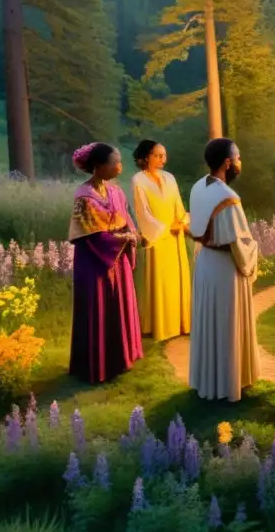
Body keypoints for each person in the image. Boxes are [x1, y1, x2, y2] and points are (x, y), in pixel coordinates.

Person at [188, 138, 260, 402]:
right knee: (226, 324)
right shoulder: (229, 197)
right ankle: (229, 383)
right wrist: (253, 256)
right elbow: (238, 242)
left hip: (205, 263)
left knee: (209, 322)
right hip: (224, 268)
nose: (240, 162)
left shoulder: (198, 187)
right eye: (238, 158)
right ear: (227, 163)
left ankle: (207, 380)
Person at [67, 143, 144, 384]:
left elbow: (126, 221)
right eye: (114, 162)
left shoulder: (116, 192)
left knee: (117, 306)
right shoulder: (84, 197)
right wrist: (125, 238)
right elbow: (92, 236)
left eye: (120, 161)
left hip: (116, 259)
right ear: (98, 167)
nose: (120, 166)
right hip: (94, 263)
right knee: (97, 309)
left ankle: (121, 358)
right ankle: (97, 366)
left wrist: (131, 234)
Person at [131, 140, 191, 341]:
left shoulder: (170, 178)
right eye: (157, 155)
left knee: (177, 280)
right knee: (161, 282)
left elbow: (178, 205)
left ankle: (181, 324)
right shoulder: (138, 180)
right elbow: (143, 213)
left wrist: (183, 222)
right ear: (146, 156)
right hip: (157, 238)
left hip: (176, 237)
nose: (162, 160)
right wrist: (165, 228)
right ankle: (161, 327)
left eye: (164, 155)